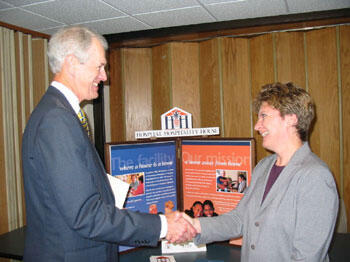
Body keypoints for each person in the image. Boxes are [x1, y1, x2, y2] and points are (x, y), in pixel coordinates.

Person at [21, 26, 195, 262]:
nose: (105, 76)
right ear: (72, 63)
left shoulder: (58, 113)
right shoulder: (56, 120)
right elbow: (85, 215)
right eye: (100, 67)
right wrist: (163, 226)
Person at [184, 82, 339, 262]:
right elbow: (239, 220)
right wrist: (193, 225)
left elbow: (307, 257)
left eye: (264, 116)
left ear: (291, 118)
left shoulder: (315, 177)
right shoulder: (264, 166)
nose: (257, 126)